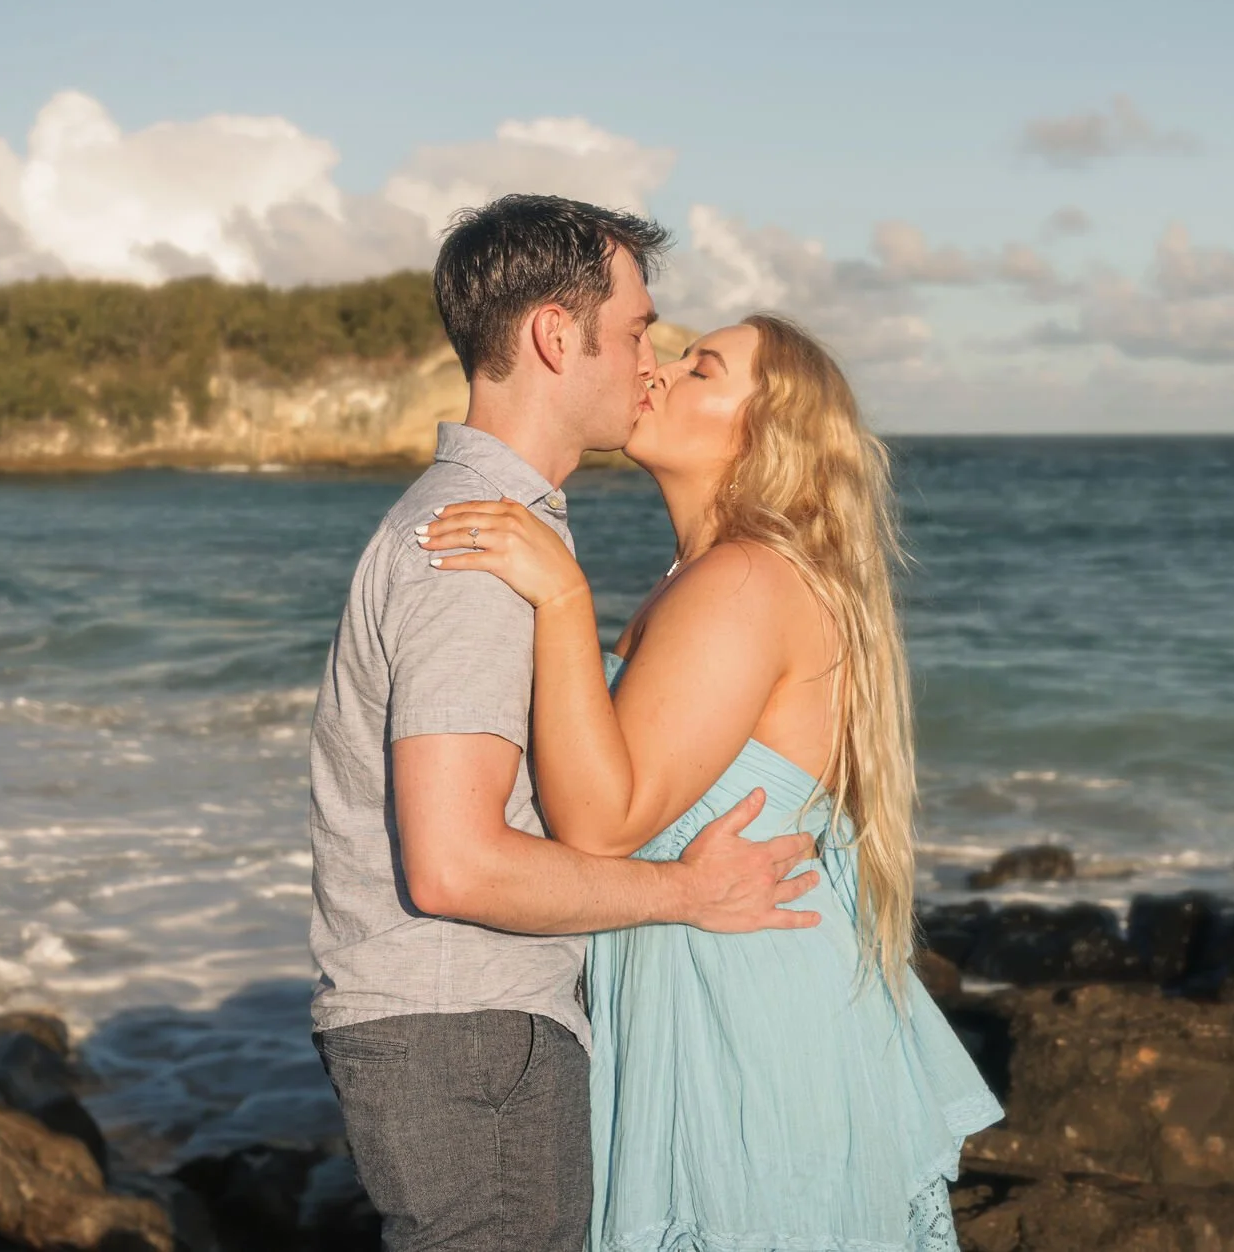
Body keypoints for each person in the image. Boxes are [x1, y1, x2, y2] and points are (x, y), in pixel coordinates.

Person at [418, 312, 1003, 1251]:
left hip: (735, 1010)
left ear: (762, 432)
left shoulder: (741, 582)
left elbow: (603, 823)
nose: (660, 372)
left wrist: (564, 598)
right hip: (722, 977)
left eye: (702, 369)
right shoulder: (725, 576)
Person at [307, 195, 824, 1252]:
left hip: (460, 1036)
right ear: (555, 333)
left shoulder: (494, 531)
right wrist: (686, 891)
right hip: (469, 1038)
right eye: (636, 329)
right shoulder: (474, 549)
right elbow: (456, 865)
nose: (649, 359)